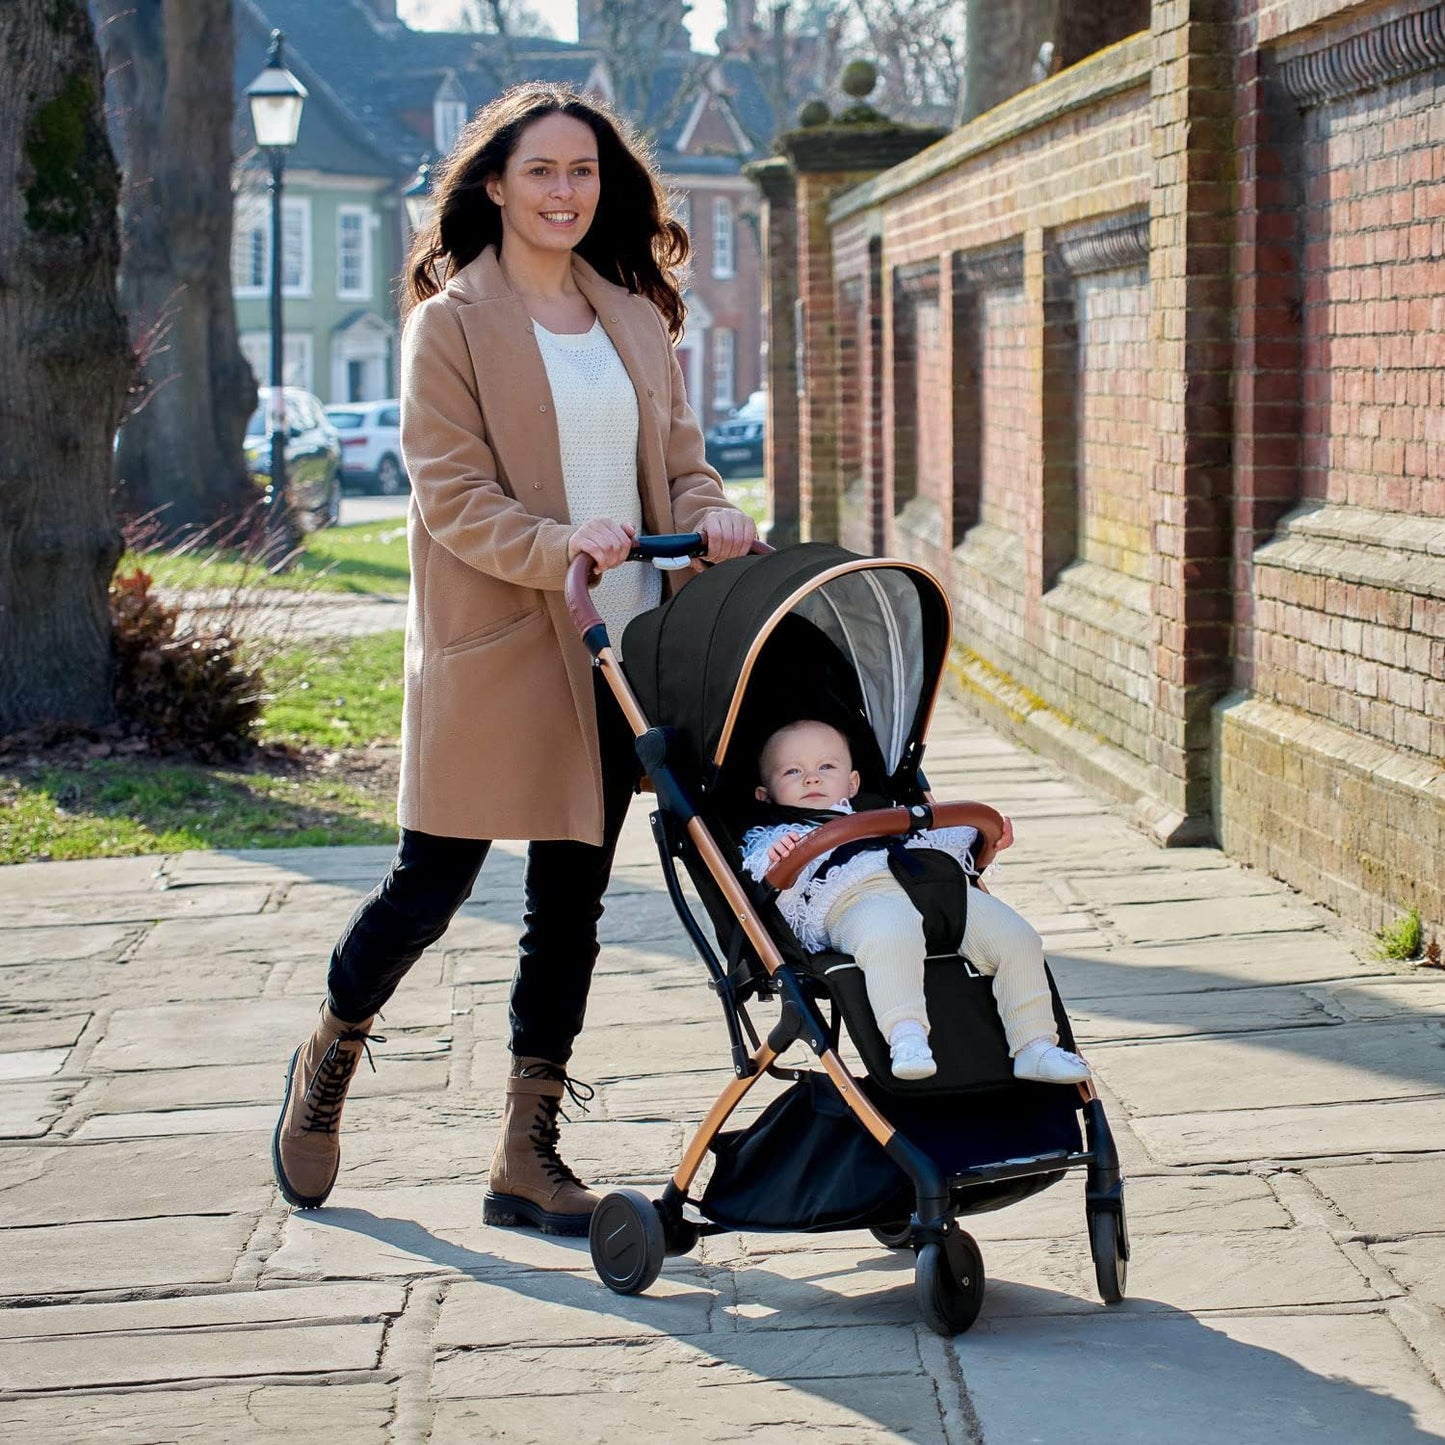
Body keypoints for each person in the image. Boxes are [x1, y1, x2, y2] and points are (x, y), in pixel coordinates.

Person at [271, 84, 756, 1235]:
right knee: (428, 884)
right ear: (493, 182)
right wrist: (556, 543)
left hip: (617, 642)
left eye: (582, 172)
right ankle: (329, 1052)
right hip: (500, 646)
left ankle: (524, 1152)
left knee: (570, 902)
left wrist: (715, 511)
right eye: (540, 171)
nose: (564, 192)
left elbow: (680, 465)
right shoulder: (450, 323)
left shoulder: (634, 311)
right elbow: (448, 496)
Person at [740, 719, 1090, 1084]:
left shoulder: (886, 813)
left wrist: (987, 834)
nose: (811, 778)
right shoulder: (780, 836)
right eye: (793, 771)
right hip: (855, 902)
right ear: (765, 794)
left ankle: (1035, 1044)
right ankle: (906, 1036)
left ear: (853, 782)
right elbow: (769, 883)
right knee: (891, 934)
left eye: (826, 767)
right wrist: (779, 860)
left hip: (932, 891)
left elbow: (946, 844)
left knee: (1017, 937)